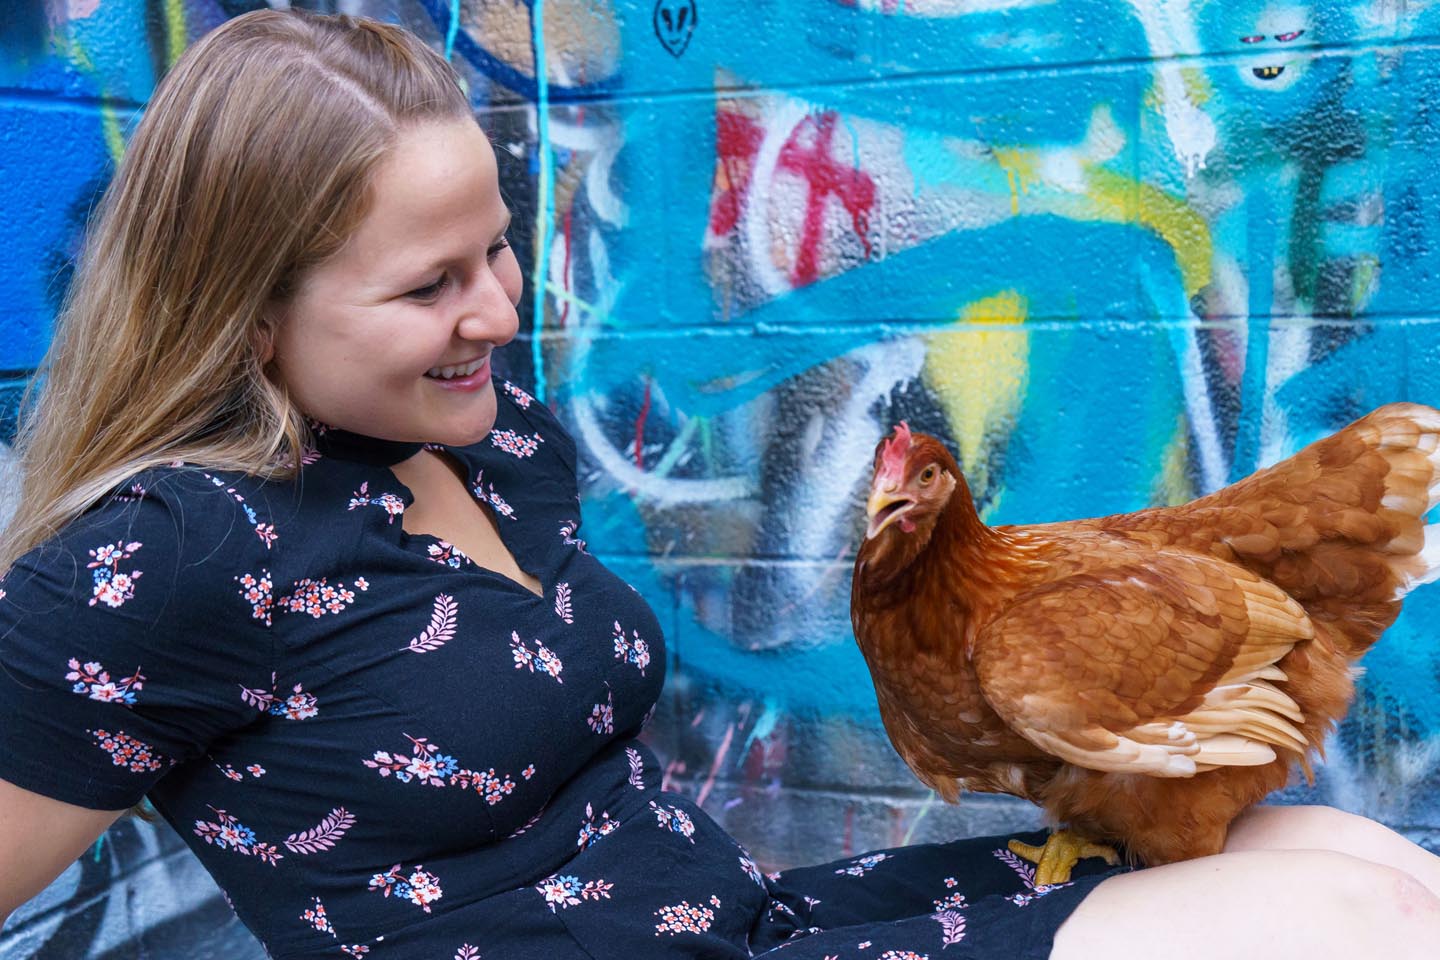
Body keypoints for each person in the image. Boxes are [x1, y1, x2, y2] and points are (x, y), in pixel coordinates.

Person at [0, 9, 1437, 960]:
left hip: (733, 926)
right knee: (1327, 924)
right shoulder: (160, 559)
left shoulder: (490, 446)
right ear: (248, 310)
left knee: (1354, 853)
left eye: (495, 252)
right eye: (427, 285)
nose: (497, 311)